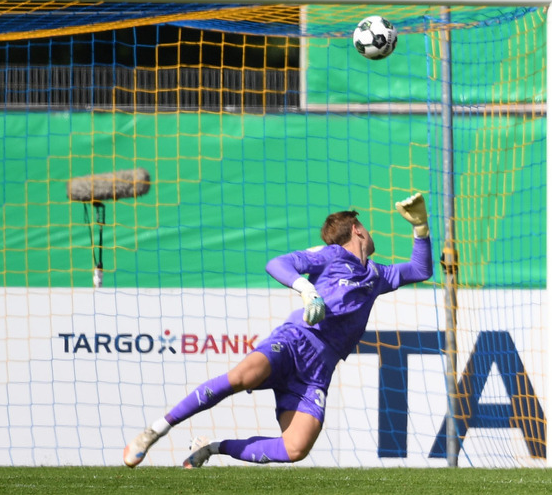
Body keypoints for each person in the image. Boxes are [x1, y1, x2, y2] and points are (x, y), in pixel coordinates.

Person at [123, 193, 433, 468]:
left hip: (318, 370)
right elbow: (277, 263)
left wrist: (421, 227)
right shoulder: (331, 255)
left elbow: (420, 269)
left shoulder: (377, 274)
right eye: (365, 226)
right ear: (356, 228)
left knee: (295, 448)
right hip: (295, 341)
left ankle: (211, 449)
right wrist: (306, 290)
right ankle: (155, 431)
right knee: (243, 376)